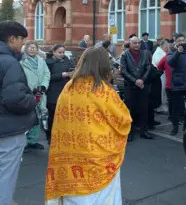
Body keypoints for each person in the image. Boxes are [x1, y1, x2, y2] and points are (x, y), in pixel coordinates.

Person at [44, 47, 131, 205]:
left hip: (68, 156)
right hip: (97, 157)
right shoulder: (104, 91)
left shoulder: (69, 87)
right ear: (104, 65)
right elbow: (123, 121)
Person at [0, 21, 37, 205]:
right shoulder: (9, 62)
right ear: (11, 38)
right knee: (5, 178)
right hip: (8, 130)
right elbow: (15, 98)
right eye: (22, 39)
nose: (23, 43)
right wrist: (32, 100)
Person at [120, 36, 154, 141]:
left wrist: (142, 79)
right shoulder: (125, 55)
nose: (137, 45)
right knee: (130, 109)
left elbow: (148, 67)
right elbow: (124, 70)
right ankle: (129, 132)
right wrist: (135, 80)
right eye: (135, 43)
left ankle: (144, 131)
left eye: (139, 43)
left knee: (144, 109)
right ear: (130, 44)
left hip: (142, 85)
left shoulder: (144, 53)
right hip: (130, 85)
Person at [21, 41, 51, 151]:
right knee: (27, 116)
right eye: (30, 48)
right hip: (28, 92)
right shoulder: (21, 61)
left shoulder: (41, 61)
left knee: (38, 116)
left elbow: (47, 74)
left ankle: (32, 141)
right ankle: (23, 142)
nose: (32, 49)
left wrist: (43, 86)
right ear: (25, 49)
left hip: (40, 93)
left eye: (34, 48)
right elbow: (21, 77)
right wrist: (29, 89)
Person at [45, 44, 74, 143]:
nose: (62, 54)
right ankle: (50, 135)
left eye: (63, 52)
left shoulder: (67, 60)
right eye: (59, 52)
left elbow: (72, 69)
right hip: (53, 91)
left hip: (65, 91)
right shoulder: (48, 62)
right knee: (52, 115)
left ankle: (62, 135)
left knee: (64, 115)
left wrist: (72, 73)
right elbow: (47, 77)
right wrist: (62, 75)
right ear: (54, 52)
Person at [156, 41, 173, 121]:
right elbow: (158, 65)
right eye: (166, 47)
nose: (166, 49)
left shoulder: (165, 56)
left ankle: (171, 115)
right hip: (166, 78)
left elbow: (160, 66)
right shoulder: (160, 54)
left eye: (167, 48)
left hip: (167, 79)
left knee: (169, 98)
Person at [152, 40, 169, 113]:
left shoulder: (162, 52)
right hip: (160, 74)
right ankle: (162, 105)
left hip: (163, 74)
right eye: (166, 47)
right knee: (162, 89)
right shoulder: (158, 52)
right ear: (162, 46)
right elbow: (158, 63)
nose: (167, 48)